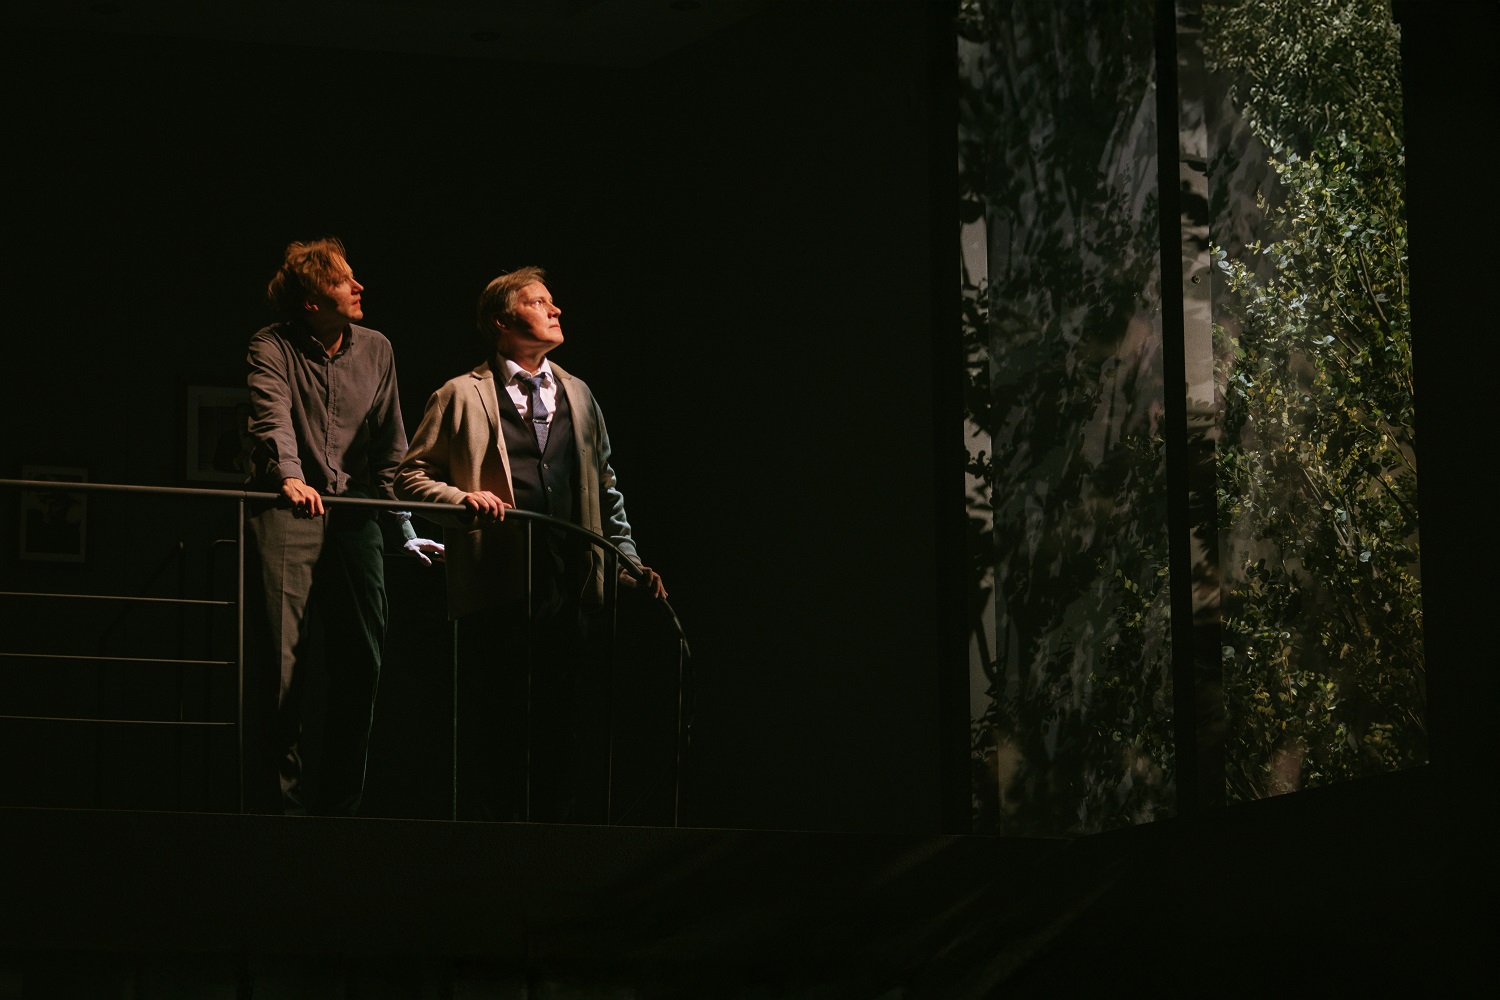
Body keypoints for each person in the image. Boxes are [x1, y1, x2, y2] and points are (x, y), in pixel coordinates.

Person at [395, 266, 665, 822]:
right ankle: (493, 850)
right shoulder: (459, 394)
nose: (555, 310)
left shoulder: (579, 394)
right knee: (496, 729)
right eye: (539, 302)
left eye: (551, 301)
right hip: (495, 588)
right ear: (501, 321)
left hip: (568, 586)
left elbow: (605, 486)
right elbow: (410, 478)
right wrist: (460, 499)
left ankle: (554, 849)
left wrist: (627, 559)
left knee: (561, 730)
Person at [244, 237, 443, 815]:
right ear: (312, 301)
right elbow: (270, 417)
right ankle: (280, 815)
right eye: (343, 281)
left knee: (363, 661)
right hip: (288, 513)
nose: (359, 288)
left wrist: (403, 527)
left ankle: (339, 817)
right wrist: (289, 476)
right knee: (282, 668)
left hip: (356, 515)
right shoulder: (271, 346)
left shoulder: (377, 348)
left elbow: (390, 448)